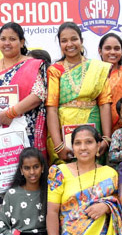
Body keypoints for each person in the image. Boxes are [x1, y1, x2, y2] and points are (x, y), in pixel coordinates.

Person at [46, 22, 112, 164]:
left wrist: (106, 138)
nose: (70, 44)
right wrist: (58, 145)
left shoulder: (97, 68)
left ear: (81, 41)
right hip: (64, 128)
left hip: (93, 123)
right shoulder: (55, 70)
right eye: (64, 41)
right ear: (60, 44)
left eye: (74, 39)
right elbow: (51, 109)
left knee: (93, 171)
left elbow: (104, 104)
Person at [0, 22, 47, 158]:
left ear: (22, 42)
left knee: (29, 172)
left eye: (12, 39)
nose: (7, 43)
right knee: (2, 172)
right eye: (3, 39)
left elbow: (38, 94)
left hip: (26, 130)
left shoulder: (32, 64)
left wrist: (11, 113)